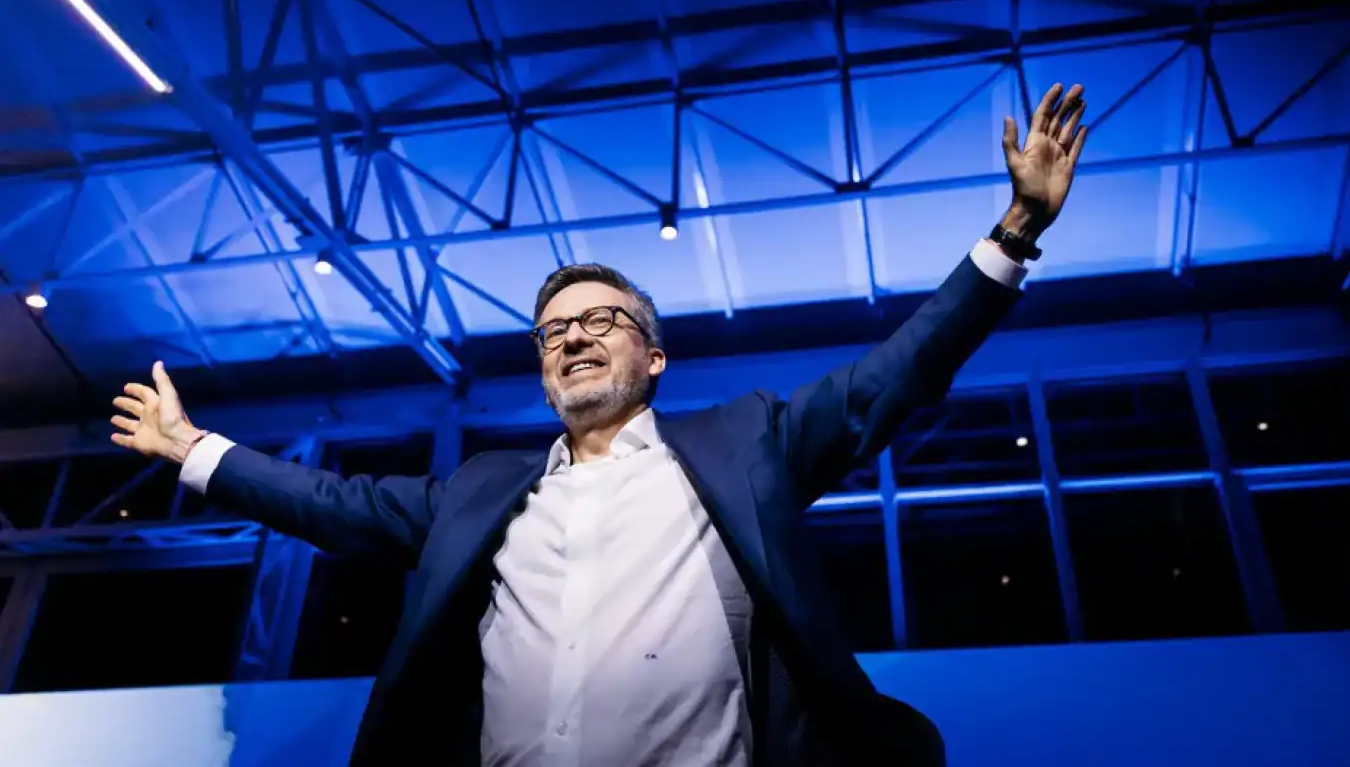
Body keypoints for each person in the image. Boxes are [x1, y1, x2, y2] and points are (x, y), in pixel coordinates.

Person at [111, 84, 1087, 766]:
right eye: (553, 331)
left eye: (601, 320)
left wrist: (1015, 231)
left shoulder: (746, 447)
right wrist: (190, 447)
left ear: (654, 357)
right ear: (544, 374)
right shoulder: (481, 495)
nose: (573, 335)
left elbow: (892, 377)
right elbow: (329, 501)